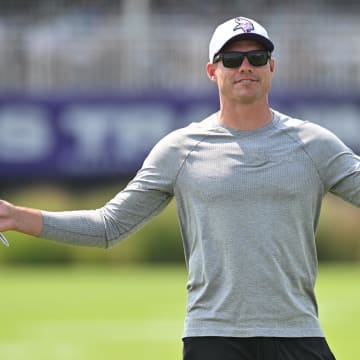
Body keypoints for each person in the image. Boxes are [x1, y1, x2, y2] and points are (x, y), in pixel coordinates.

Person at [0, 16, 358, 360]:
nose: (245, 66)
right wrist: (17, 217)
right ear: (212, 71)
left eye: (257, 57)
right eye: (232, 59)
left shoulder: (314, 144)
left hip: (296, 332)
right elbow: (109, 226)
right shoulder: (180, 149)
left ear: (272, 67)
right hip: (213, 338)